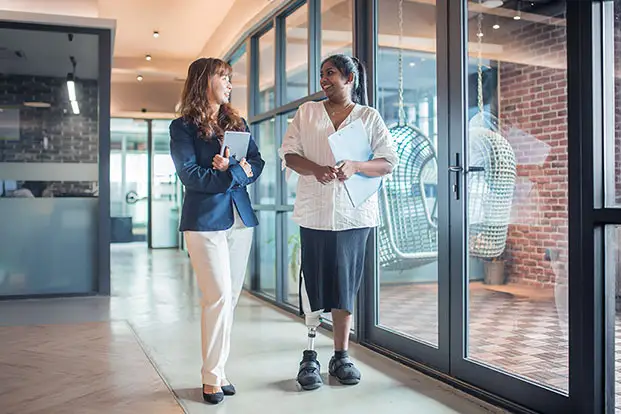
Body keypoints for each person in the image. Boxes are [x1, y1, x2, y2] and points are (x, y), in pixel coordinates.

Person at [279, 54, 398, 390]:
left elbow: (388, 161)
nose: (323, 80)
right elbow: (288, 153)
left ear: (349, 77)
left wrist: (357, 166)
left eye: (329, 73)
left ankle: (341, 355)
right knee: (313, 284)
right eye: (321, 74)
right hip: (314, 214)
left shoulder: (368, 117)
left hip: (353, 216)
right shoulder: (308, 112)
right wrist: (315, 169)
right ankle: (310, 355)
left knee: (345, 286)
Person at [169, 57, 265, 404]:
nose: (229, 84)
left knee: (231, 299)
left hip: (240, 220)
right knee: (218, 297)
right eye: (223, 77)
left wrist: (234, 171)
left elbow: (257, 162)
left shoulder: (236, 121)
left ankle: (219, 370)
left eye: (230, 78)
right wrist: (230, 174)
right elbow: (190, 175)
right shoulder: (181, 127)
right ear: (203, 80)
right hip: (204, 221)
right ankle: (210, 377)